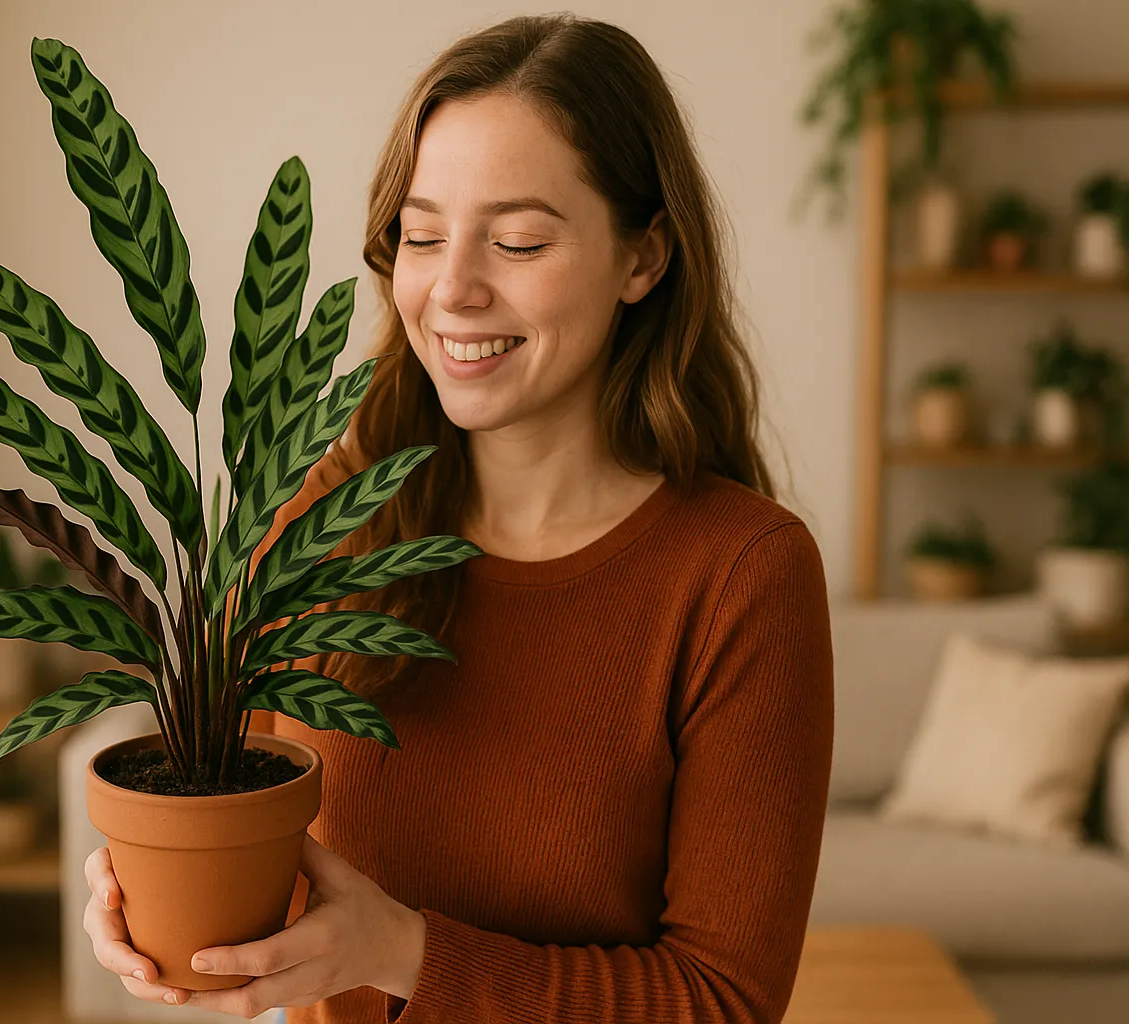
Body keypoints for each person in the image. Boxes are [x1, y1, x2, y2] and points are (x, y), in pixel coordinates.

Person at [81, 12, 833, 1023]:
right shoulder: (313, 522)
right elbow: (234, 846)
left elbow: (724, 1001)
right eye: (423, 234)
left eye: (518, 239)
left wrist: (405, 952)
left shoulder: (742, 573)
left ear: (644, 255)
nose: (453, 288)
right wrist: (149, 898)